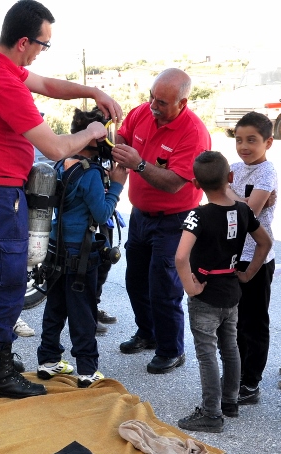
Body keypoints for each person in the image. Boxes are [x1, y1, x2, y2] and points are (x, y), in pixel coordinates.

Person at [0, 0, 122, 400]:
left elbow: (47, 85)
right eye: (43, 45)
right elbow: (55, 147)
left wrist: (91, 90)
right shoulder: (3, 84)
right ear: (24, 41)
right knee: (7, 280)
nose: (41, 53)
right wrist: (93, 133)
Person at [111, 68, 211, 374]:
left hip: (175, 221)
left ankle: (171, 350)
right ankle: (148, 333)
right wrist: (105, 134)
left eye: (162, 102)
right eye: (152, 97)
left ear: (182, 102)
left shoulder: (194, 133)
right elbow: (122, 136)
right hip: (141, 215)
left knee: (164, 287)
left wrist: (138, 164)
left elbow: (172, 183)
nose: (153, 105)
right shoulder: (143, 111)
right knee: (135, 280)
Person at [175, 151, 272, 433]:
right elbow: (264, 244)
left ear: (195, 184)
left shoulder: (198, 216)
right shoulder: (244, 211)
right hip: (231, 291)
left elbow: (181, 257)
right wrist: (249, 272)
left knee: (207, 354)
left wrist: (190, 287)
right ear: (230, 178)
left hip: (205, 295)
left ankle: (211, 413)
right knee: (230, 348)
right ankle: (230, 402)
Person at [35, 108, 128, 388]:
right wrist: (117, 187)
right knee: (83, 311)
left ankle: (48, 361)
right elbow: (101, 215)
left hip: (54, 248)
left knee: (55, 306)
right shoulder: (91, 174)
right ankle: (87, 370)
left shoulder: (61, 163)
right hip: (80, 253)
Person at [225, 112, 277, 404]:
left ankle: (251, 382)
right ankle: (236, 374)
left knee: (254, 322)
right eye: (239, 139)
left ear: (268, 142)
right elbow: (224, 205)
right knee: (233, 320)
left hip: (256, 257)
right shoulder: (233, 167)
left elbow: (248, 212)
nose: (244, 146)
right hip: (233, 254)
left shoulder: (267, 172)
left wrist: (226, 193)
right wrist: (235, 197)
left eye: (252, 140)